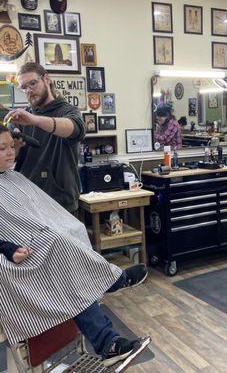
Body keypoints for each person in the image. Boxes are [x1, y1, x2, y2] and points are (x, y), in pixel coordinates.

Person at [0, 124, 150, 369]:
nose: (10, 152)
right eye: (2, 148)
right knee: (57, 245)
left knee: (73, 230)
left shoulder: (10, 176)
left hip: (28, 245)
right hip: (9, 259)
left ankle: (108, 341)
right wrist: (8, 249)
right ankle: (113, 282)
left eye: (11, 146)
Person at [4, 62, 86, 213]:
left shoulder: (68, 111)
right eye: (24, 87)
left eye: (33, 83)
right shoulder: (20, 118)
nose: (29, 90)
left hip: (60, 200)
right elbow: (9, 159)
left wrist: (34, 120)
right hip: (28, 199)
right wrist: (15, 147)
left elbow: (76, 129)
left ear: (46, 79)